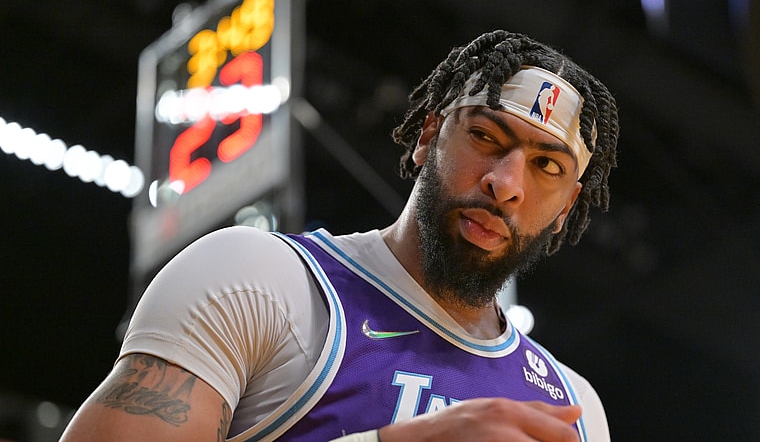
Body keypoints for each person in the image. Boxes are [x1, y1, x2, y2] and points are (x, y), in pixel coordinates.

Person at [60, 29, 619, 442]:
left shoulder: (575, 408)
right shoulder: (258, 281)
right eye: (484, 135)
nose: (505, 184)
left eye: (547, 167)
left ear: (567, 207)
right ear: (428, 136)